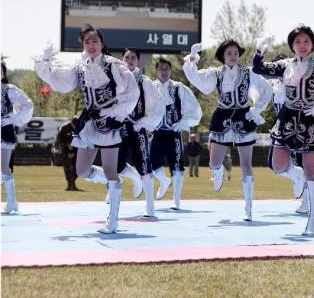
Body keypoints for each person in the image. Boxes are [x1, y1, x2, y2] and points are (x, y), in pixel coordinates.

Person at [35, 24, 138, 233]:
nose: (91, 45)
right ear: (82, 44)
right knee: (82, 170)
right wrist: (46, 63)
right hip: (89, 121)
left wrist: (114, 110)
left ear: (102, 43)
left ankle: (113, 220)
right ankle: (113, 185)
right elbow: (62, 82)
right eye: (87, 41)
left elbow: (131, 91)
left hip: (109, 121)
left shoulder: (113, 65)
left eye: (95, 41)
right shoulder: (80, 66)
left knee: (110, 169)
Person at [253, 25, 314, 234]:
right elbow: (258, 69)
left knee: (311, 169)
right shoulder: (285, 65)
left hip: (311, 119)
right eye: (297, 42)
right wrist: (260, 51)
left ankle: (313, 219)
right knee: (277, 165)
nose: (302, 46)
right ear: (292, 46)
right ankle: (297, 176)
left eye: (306, 41)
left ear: (312, 44)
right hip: (287, 118)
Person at [183, 39, 271, 221]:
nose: (233, 56)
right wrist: (192, 58)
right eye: (229, 53)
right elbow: (198, 80)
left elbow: (267, 89)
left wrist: (256, 110)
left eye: (236, 53)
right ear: (222, 56)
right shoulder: (216, 73)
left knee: (246, 163)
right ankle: (219, 171)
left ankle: (249, 206)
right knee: (214, 163)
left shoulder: (248, 72)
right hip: (222, 117)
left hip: (243, 117)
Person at [115, 48, 164, 217]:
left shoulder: (144, 81)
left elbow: (158, 105)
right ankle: (135, 179)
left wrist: (145, 121)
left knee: (144, 165)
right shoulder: (115, 79)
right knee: (116, 166)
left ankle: (150, 208)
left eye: (133, 58)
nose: (129, 60)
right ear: (121, 60)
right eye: (126, 57)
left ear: (138, 61)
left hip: (137, 127)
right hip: (119, 128)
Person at [150, 57, 202, 211]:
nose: (164, 71)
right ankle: (164, 181)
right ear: (157, 71)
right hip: (158, 132)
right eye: (161, 69)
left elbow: (194, 109)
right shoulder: (151, 87)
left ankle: (176, 200)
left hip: (174, 133)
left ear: (170, 70)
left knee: (177, 167)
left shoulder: (179, 88)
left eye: (166, 69)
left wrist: (184, 123)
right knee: (151, 165)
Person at [267, 53, 307, 214]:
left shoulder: (296, 83)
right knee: (274, 164)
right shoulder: (273, 84)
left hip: (297, 128)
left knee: (302, 164)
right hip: (280, 129)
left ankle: (307, 202)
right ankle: (297, 175)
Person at [1, 61, 34, 214]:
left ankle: (12, 202)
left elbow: (27, 105)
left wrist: (12, 118)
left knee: (3, 167)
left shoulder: (9, 90)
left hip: (3, 131)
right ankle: (12, 202)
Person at [52, 117, 80, 191]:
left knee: (77, 168)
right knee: (68, 168)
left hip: (75, 149)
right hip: (64, 149)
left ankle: (73, 185)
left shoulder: (79, 127)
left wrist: (73, 151)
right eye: (74, 125)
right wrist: (67, 145)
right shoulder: (64, 128)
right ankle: (70, 186)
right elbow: (58, 140)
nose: (75, 127)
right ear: (71, 123)